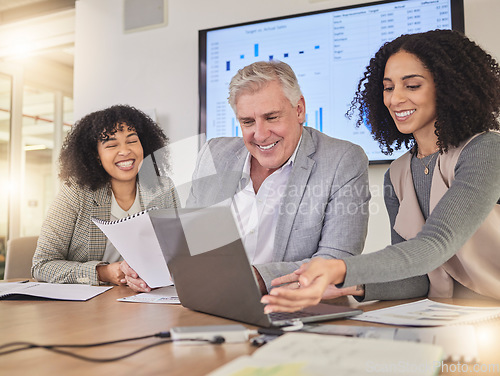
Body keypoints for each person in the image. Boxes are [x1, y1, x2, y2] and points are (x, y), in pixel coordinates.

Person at [261, 29, 500, 313]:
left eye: (412, 86)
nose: (395, 99)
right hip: (450, 319)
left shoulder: (486, 151)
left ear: (449, 87)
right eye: (388, 87)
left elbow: (436, 244)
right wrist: (346, 286)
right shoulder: (398, 174)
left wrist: (340, 269)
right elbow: (416, 278)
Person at [187, 60, 370, 294]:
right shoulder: (214, 154)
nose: (261, 134)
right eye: (248, 122)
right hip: (207, 301)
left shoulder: (342, 160)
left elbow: (336, 262)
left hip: (294, 310)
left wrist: (256, 278)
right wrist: (148, 267)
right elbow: (188, 243)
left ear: (299, 109)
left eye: (272, 117)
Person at [32, 104, 179, 290]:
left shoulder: (163, 188)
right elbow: (42, 265)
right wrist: (105, 273)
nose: (125, 151)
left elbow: (178, 254)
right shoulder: (75, 193)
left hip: (149, 298)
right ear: (96, 156)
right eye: (111, 145)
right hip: (88, 306)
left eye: (132, 141)